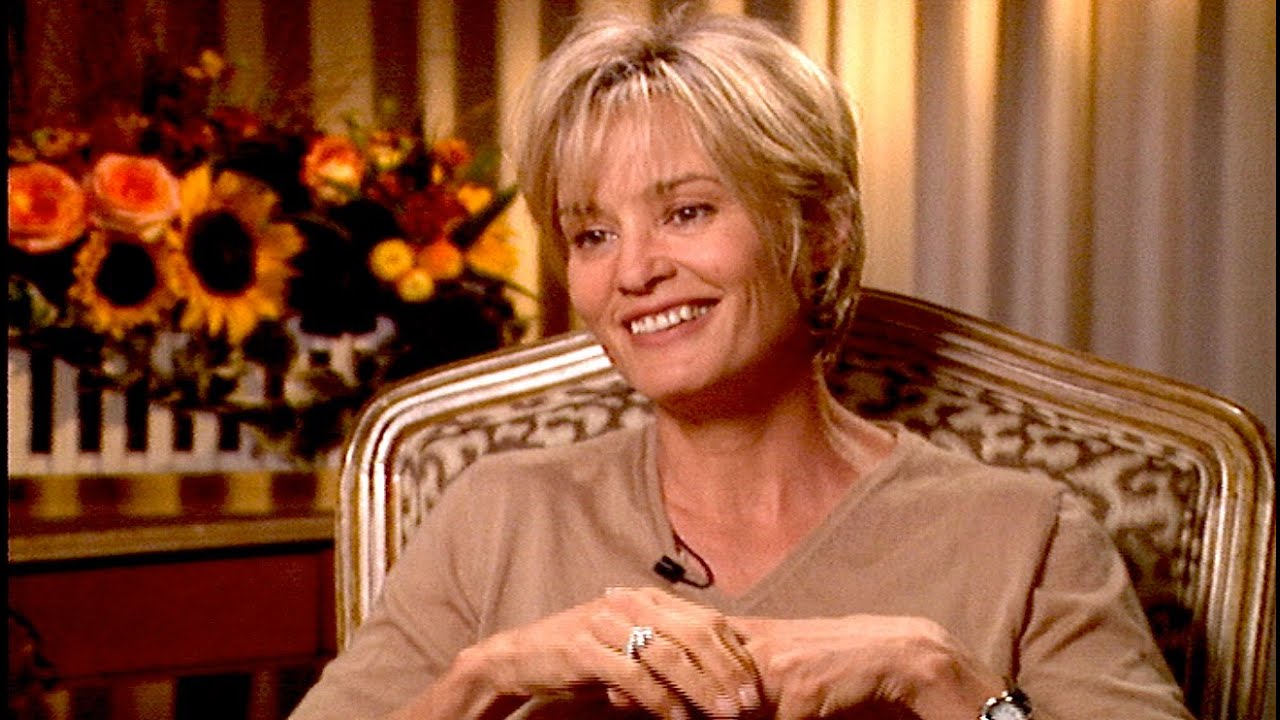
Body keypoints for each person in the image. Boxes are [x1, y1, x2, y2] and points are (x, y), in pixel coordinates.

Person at [290, 10, 1193, 720]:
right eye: (592, 233)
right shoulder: (499, 515)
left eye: (686, 212)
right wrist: (486, 676)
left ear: (819, 228)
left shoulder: (1022, 535)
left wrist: (940, 678)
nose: (634, 271)